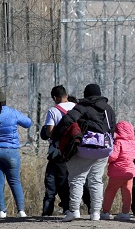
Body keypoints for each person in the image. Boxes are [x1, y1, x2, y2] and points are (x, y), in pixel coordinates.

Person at [51, 83, 116, 222]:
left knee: (77, 179)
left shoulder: (82, 107)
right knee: (96, 180)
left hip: (85, 149)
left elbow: (67, 120)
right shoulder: (108, 109)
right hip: (104, 149)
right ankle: (96, 213)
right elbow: (112, 128)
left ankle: (74, 210)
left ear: (86, 95)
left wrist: (56, 135)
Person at [0, 87, 32, 217]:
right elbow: (28, 123)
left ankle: (1, 211)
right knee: (15, 181)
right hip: (11, 151)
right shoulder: (12, 113)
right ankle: (21, 211)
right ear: (4, 101)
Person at [41, 85, 76, 216]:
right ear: (66, 95)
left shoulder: (53, 110)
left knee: (53, 179)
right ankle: (74, 208)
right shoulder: (77, 107)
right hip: (75, 149)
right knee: (73, 180)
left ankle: (48, 210)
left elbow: (49, 132)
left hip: (58, 151)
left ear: (55, 98)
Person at [100, 121, 135, 220]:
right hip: (129, 170)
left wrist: (106, 158)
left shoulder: (118, 142)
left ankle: (105, 212)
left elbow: (113, 156)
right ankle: (125, 213)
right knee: (127, 192)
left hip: (117, 170)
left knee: (110, 191)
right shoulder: (133, 143)